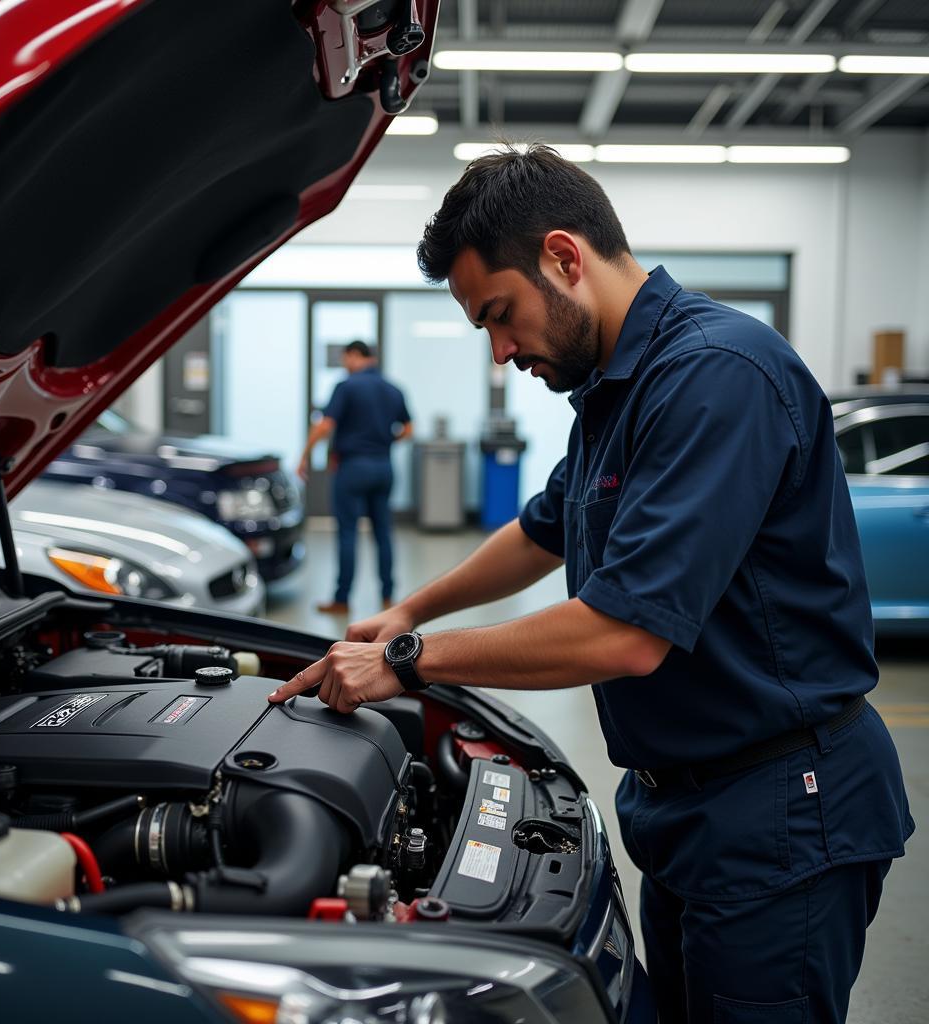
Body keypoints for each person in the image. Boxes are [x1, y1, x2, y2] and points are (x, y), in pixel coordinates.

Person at [274, 146, 914, 1022]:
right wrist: (411, 608)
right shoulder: (616, 390)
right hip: (686, 806)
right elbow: (542, 530)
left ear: (564, 258)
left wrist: (412, 660)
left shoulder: (715, 375)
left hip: (780, 809)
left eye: (500, 315)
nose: (501, 352)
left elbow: (623, 634)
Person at [297, 340, 412, 614]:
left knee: (348, 532)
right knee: (383, 532)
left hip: (352, 468)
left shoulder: (346, 386)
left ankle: (341, 599)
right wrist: (383, 443)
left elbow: (325, 424)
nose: (343, 364)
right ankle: (387, 597)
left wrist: (303, 455)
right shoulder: (393, 388)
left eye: (344, 358)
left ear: (354, 355)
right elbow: (408, 429)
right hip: (383, 467)